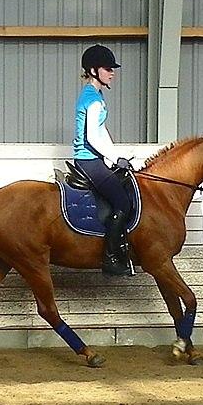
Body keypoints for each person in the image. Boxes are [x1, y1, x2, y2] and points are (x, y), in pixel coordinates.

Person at [73, 44, 134, 276]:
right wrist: (112, 157)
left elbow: (102, 130)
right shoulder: (93, 99)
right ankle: (110, 257)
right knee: (122, 202)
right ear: (93, 70)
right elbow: (91, 136)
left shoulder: (94, 95)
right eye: (108, 68)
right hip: (88, 159)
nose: (112, 72)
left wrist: (116, 156)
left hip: (93, 158)